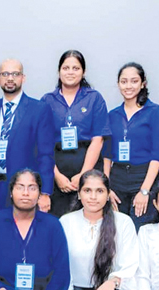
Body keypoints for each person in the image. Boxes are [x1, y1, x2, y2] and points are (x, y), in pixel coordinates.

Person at [60, 170, 138, 290]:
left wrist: (112, 282)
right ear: (79, 194)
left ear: (108, 194)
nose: (93, 197)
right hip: (79, 289)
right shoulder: (66, 221)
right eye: (87, 190)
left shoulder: (124, 222)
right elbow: (59, 264)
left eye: (99, 191)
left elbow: (132, 263)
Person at [0, 59, 55, 215]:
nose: (10, 78)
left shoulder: (39, 110)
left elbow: (46, 155)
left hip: (25, 190)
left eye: (15, 74)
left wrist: (44, 193)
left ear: (23, 78)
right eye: (5, 74)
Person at [41, 50, 110, 217]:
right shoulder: (47, 100)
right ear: (59, 72)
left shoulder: (94, 98)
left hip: (88, 166)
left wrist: (84, 175)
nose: (70, 72)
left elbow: (98, 140)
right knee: (59, 222)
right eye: (66, 68)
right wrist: (55, 175)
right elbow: (43, 143)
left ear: (83, 72)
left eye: (75, 68)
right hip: (57, 168)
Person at [102, 62, 159, 230]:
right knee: (117, 232)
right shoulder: (113, 114)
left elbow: (158, 154)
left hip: (144, 177)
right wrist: (106, 186)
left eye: (134, 81)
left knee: (140, 231)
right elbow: (107, 154)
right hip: (117, 179)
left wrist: (145, 191)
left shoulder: (154, 111)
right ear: (118, 84)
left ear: (143, 83)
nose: (128, 86)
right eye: (124, 81)